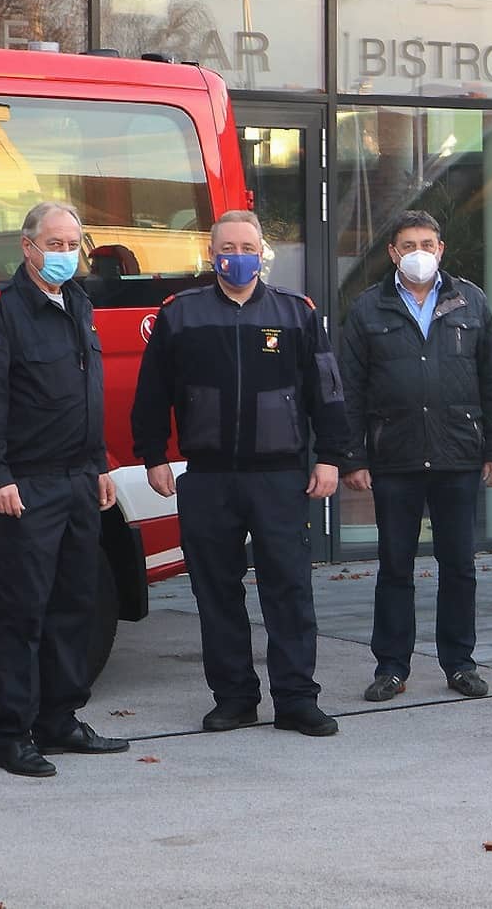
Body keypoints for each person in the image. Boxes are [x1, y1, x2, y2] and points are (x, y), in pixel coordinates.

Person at [132, 210, 350, 737]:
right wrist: (153, 455)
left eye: (247, 245)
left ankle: (297, 698)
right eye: (227, 246)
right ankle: (233, 698)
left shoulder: (295, 313)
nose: (238, 254)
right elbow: (151, 392)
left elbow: (328, 389)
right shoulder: (180, 314)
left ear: (261, 253)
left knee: (289, 589)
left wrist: (331, 455)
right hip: (208, 477)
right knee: (216, 591)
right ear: (211, 255)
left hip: (279, 477)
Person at [0, 201, 128, 777]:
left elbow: (86, 395)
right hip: (28, 484)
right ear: (27, 248)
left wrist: (100, 462)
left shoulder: (78, 303)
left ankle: (59, 720)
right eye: (53, 243)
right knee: (22, 611)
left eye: (72, 244)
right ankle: (12, 735)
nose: (64, 254)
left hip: (81, 479)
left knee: (74, 605)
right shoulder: (2, 312)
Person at [339, 210, 492, 703]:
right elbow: (349, 390)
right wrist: (352, 457)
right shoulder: (368, 308)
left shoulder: (471, 301)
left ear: (441, 248)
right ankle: (392, 666)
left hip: (458, 455)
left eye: (428, 243)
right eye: (408, 243)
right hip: (394, 457)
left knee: (458, 566)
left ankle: (460, 663)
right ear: (393, 252)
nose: (420, 251)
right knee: (395, 566)